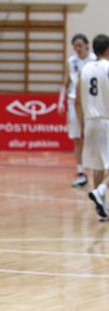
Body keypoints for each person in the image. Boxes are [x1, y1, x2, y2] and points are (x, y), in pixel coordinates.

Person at [77, 34, 109, 221]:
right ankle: (101, 191)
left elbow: (79, 99)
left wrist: (81, 124)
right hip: (106, 119)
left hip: (90, 121)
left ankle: (101, 209)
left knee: (98, 166)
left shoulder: (86, 68)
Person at [59, 34, 97, 188]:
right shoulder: (71, 61)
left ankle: (96, 169)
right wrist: (60, 101)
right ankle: (81, 173)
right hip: (73, 102)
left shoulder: (94, 60)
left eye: (80, 45)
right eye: (75, 45)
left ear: (87, 45)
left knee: (92, 137)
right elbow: (66, 82)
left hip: (90, 103)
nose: (77, 48)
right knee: (77, 138)